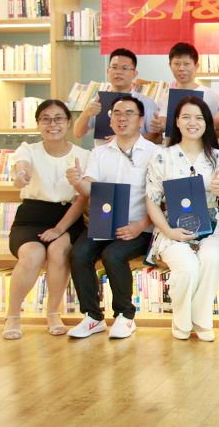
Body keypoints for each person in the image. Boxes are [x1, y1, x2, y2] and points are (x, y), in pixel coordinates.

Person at [65, 96, 156, 339]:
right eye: (117, 113)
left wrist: (140, 225)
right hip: (104, 223)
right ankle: (93, 317)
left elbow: (162, 199)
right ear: (110, 119)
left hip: (140, 227)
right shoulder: (99, 152)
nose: (122, 118)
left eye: (129, 113)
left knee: (113, 255)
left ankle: (125, 316)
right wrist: (77, 181)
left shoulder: (155, 153)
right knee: (78, 254)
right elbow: (89, 188)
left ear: (141, 120)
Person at [145, 96, 219, 341]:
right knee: (187, 267)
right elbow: (152, 200)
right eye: (186, 117)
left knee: (212, 258)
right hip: (172, 225)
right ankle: (181, 320)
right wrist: (169, 231)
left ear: (207, 122)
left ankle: (201, 320)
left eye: (198, 117)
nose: (192, 122)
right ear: (176, 121)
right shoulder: (162, 156)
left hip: (212, 225)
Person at [2, 100, 89, 339]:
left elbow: (82, 198)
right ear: (38, 123)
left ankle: (53, 313)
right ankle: (12, 315)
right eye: (46, 119)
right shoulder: (28, 149)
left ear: (68, 122)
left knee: (58, 251)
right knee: (33, 255)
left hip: (67, 219)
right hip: (31, 217)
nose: (53, 124)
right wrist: (22, 175)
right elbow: (21, 166)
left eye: (59, 118)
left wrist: (59, 229)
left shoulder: (83, 155)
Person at [73, 48, 162, 146]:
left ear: (134, 74)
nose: (118, 72)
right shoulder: (98, 101)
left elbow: (157, 138)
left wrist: (126, 139)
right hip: (104, 154)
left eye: (125, 68)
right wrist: (86, 113)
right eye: (114, 67)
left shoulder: (146, 102)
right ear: (108, 71)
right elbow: (78, 133)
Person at [152, 42, 219, 139]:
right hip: (173, 147)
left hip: (202, 147)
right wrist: (159, 127)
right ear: (170, 65)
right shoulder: (164, 98)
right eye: (176, 64)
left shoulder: (211, 95)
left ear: (196, 66)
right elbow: (164, 124)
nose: (181, 68)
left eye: (186, 64)